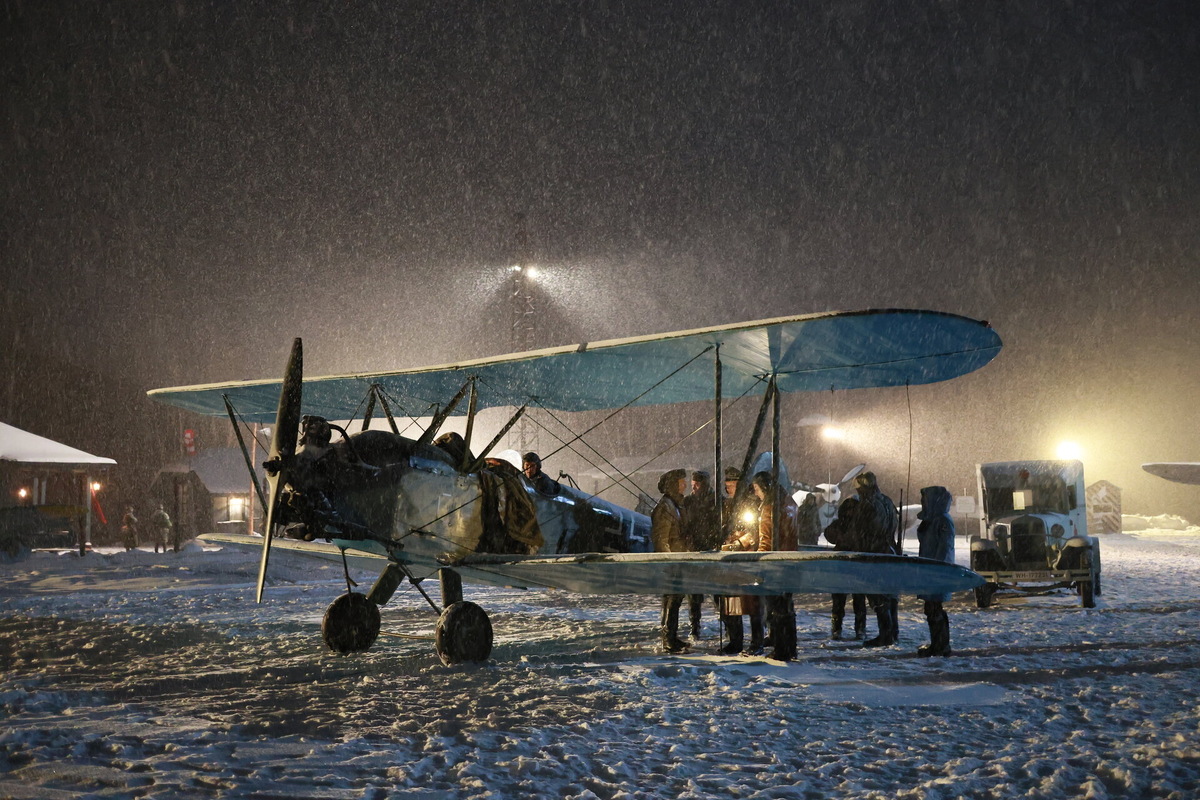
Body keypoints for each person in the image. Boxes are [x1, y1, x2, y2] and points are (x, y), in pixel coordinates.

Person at [752, 471, 800, 661]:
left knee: (776, 608)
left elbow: (767, 539)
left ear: (764, 487)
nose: (756, 494)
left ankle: (780, 650)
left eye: (756, 489)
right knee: (787, 607)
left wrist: (759, 562)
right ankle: (790, 647)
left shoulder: (770, 507)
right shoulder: (790, 502)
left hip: (775, 563)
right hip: (791, 561)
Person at [852, 471, 900, 648]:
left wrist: (862, 550)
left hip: (874, 553)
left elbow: (864, 532)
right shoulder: (887, 501)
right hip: (890, 551)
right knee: (889, 594)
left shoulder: (868, 505)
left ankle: (886, 634)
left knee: (878, 596)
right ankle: (893, 632)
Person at [718, 467, 763, 655]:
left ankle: (756, 641)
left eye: (732, 486)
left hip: (747, 558)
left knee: (752, 604)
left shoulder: (750, 504)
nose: (729, 489)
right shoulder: (725, 504)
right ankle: (735, 640)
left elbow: (754, 530)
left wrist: (739, 542)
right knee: (730, 603)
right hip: (730, 560)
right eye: (727, 486)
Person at [652, 468, 689, 654]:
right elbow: (661, 539)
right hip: (672, 562)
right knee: (671, 600)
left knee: (675, 599)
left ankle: (672, 635)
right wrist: (668, 562)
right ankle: (668, 638)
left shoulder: (675, 505)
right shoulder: (665, 507)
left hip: (678, 560)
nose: (685, 485)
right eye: (682, 482)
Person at [916, 486, 955, 657]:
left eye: (925, 499)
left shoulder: (942, 521)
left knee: (935, 609)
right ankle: (938, 644)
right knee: (931, 608)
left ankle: (941, 646)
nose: (922, 502)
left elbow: (945, 548)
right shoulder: (932, 519)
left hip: (936, 572)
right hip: (930, 571)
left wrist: (936, 570)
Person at [681, 470, 720, 639]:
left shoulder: (716, 501)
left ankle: (725, 623)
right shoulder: (688, 501)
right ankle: (695, 626)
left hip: (712, 550)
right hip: (694, 551)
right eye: (693, 485)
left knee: (717, 591)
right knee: (694, 594)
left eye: (697, 484)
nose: (694, 488)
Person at [824, 496, 868, 639]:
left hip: (856, 565)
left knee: (859, 600)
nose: (850, 511)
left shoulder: (862, 525)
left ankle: (859, 629)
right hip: (843, 565)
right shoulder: (842, 524)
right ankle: (837, 628)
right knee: (839, 600)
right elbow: (829, 534)